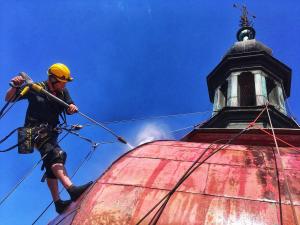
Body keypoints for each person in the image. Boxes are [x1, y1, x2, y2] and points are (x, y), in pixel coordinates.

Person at [5, 63, 93, 214]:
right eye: (61, 81)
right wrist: (14, 86)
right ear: (52, 79)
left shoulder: (63, 92)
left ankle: (58, 204)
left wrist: (72, 108)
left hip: (51, 131)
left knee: (50, 163)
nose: (64, 85)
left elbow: (69, 106)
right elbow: (9, 99)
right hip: (31, 131)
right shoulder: (35, 87)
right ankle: (72, 190)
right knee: (56, 154)